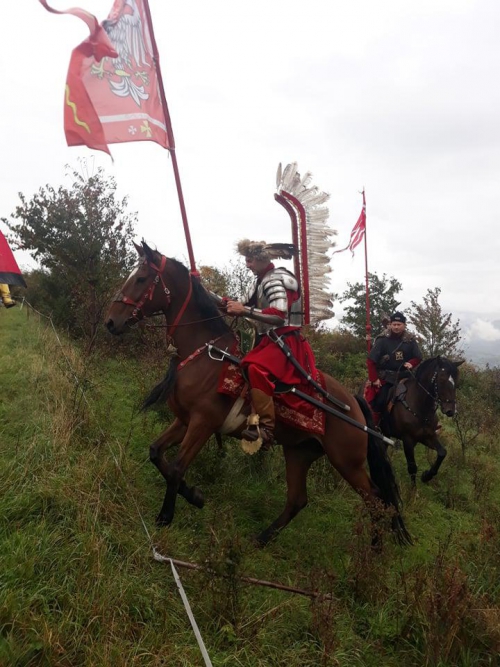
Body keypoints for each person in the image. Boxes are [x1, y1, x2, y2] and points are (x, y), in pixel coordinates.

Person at [225, 239, 317, 446]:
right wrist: (201, 291)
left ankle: (266, 429)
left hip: (283, 339)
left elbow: (278, 315)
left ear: (260, 259)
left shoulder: (273, 280)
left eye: (249, 260)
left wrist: (244, 310)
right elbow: (236, 305)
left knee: (256, 369)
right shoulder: (259, 281)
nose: (247, 265)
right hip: (266, 339)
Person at [367, 311, 422, 426]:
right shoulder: (382, 340)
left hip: (406, 377)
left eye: (399, 324)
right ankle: (376, 425)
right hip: (387, 378)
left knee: (422, 395)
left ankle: (427, 424)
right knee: (381, 401)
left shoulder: (410, 340)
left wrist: (411, 363)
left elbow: (418, 357)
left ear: (404, 325)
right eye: (394, 324)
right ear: (390, 325)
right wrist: (374, 379)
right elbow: (371, 361)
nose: (396, 327)